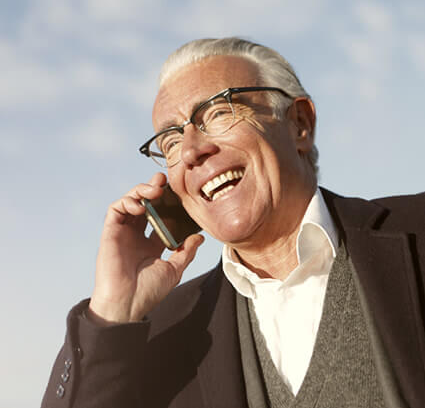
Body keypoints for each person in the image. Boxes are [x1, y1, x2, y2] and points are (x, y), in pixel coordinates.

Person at [42, 38, 425, 408]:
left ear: (300, 125)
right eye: (171, 142)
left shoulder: (416, 232)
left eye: (218, 112)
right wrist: (112, 312)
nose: (192, 151)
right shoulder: (163, 330)